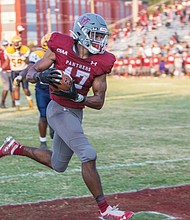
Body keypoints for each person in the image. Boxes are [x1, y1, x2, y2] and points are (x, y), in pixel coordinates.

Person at [0, 13, 133, 220]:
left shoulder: (102, 62)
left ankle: (14, 147)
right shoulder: (60, 46)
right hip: (57, 109)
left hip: (75, 112)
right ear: (81, 33)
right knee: (88, 154)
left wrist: (78, 97)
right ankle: (106, 210)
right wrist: (41, 76)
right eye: (95, 35)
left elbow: (98, 102)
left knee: (58, 164)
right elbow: (31, 72)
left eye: (101, 36)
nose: (99, 41)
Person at [14, 33, 54, 149]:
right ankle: (43, 141)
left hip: (56, 89)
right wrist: (21, 76)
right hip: (42, 89)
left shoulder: (60, 55)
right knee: (43, 115)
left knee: (57, 114)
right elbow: (30, 68)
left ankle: (54, 131)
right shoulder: (37, 55)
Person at [4, 35, 33, 111]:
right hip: (14, 71)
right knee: (16, 88)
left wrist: (22, 56)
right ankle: (17, 105)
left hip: (23, 70)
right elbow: (7, 61)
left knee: (25, 89)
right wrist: (2, 68)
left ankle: (30, 101)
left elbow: (28, 62)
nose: (16, 44)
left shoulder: (25, 49)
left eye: (18, 42)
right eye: (15, 43)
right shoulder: (8, 50)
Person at [0, 40, 15, 108]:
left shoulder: (11, 50)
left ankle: (14, 103)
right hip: (4, 71)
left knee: (13, 87)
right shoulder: (1, 52)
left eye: (6, 45)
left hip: (12, 70)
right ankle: (2, 103)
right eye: (4, 45)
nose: (5, 47)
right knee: (6, 87)